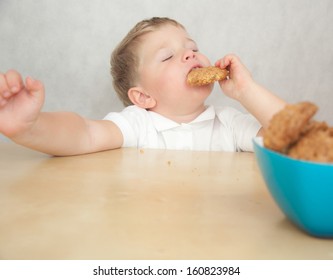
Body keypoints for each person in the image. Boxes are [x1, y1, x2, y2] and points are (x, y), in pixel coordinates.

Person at [0, 17, 286, 156]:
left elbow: (295, 139)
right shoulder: (138, 125)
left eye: (192, 48)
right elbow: (83, 134)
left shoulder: (229, 124)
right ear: (143, 96)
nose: (190, 54)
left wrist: (246, 91)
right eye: (167, 56)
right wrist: (30, 127)